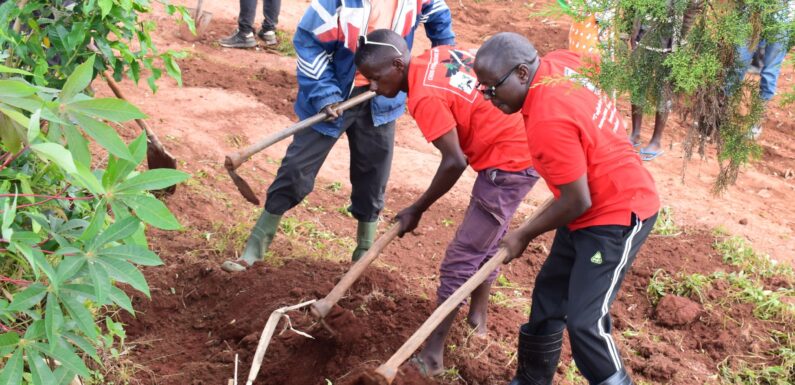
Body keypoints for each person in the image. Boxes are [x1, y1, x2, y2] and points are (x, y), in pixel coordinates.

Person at [473, 33, 660, 385]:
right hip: (587, 203)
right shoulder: (560, 63)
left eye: (492, 88)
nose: (487, 97)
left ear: (523, 73)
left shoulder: (547, 119)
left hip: (618, 212)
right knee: (549, 292)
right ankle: (531, 380)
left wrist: (523, 235)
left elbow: (577, 200)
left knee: (585, 321)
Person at [354, 29, 540, 376]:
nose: (375, 88)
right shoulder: (434, 56)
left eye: (378, 79)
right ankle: (477, 319)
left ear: (397, 63)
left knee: (461, 258)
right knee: (487, 236)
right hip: (522, 141)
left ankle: (433, 355)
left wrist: (417, 208)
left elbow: (454, 160)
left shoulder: (422, 96)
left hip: (510, 161)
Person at [221, 1, 456, 272]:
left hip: (384, 95)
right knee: (296, 169)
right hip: (334, 94)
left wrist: (441, 63)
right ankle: (255, 248)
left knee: (373, 175)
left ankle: (363, 256)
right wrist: (325, 94)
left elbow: (439, 18)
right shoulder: (337, 3)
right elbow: (308, 42)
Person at [730, 0, 794, 139]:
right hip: (752, 14)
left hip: (783, 19)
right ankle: (719, 118)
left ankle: (755, 124)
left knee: (770, 73)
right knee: (737, 65)